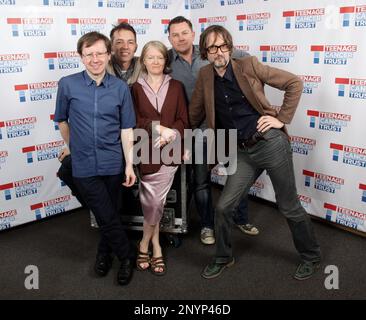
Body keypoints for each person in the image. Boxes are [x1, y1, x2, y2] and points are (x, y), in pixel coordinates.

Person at [189, 25, 321, 280]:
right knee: (224, 207)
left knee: (289, 205)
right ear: (205, 52)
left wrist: (281, 118)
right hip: (241, 152)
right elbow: (194, 115)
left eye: (223, 45)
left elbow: (294, 83)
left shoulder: (248, 65)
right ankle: (223, 257)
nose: (219, 52)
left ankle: (311, 256)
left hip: (269, 144)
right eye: (212, 47)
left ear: (230, 46)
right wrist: (173, 134)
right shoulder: (205, 77)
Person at [167, 16, 259, 245]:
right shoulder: (166, 60)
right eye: (175, 34)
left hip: (224, 127)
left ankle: (240, 218)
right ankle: (207, 226)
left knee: (235, 175)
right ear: (169, 37)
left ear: (192, 32)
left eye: (184, 32)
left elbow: (244, 59)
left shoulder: (209, 49)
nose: (180, 38)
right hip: (196, 130)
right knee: (201, 181)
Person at [54, 31, 137, 286]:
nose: (95, 59)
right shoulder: (67, 84)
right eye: (89, 54)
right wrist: (73, 147)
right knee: (106, 212)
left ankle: (103, 252)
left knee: (108, 213)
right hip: (84, 164)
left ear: (108, 54)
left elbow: (126, 129)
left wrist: (130, 164)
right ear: (81, 57)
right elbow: (62, 121)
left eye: (100, 53)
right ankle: (127, 256)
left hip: (113, 162)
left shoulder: (121, 88)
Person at [131, 41, 189, 276]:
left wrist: (170, 134)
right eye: (150, 57)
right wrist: (159, 129)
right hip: (145, 152)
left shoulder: (176, 86)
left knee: (154, 202)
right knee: (154, 202)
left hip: (169, 152)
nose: (155, 62)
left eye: (160, 58)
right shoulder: (134, 88)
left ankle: (145, 244)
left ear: (166, 61)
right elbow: (134, 121)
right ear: (143, 60)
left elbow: (184, 120)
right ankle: (154, 244)